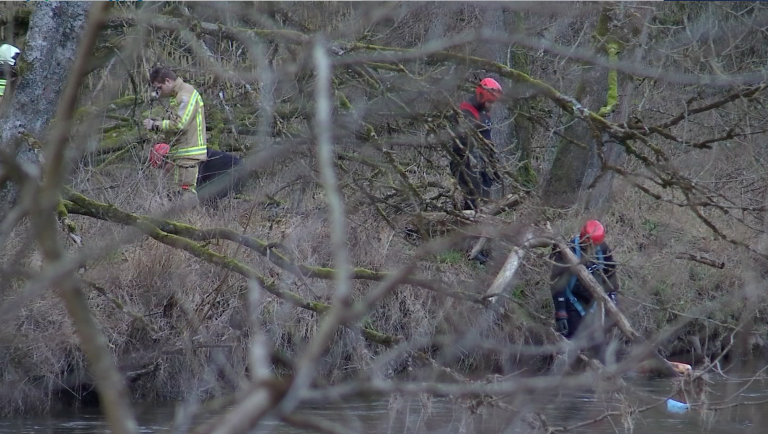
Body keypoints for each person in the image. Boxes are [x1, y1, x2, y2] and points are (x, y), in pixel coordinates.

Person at [549, 219, 620, 364]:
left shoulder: (603, 250)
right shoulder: (567, 251)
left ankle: (601, 377)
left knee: (599, 348)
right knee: (571, 347)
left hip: (594, 305)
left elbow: (610, 276)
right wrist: (561, 313)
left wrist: (613, 302)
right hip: (571, 303)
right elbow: (557, 283)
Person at [143, 66, 207, 201]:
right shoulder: (177, 96)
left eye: (159, 87)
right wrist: (160, 122)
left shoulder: (185, 95)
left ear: (168, 81)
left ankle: (190, 220)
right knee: (179, 192)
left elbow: (180, 124)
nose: (159, 92)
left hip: (189, 153)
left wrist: (155, 125)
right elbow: (174, 121)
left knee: (186, 194)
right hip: (182, 152)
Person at [449, 77, 503, 211]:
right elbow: (466, 145)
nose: (491, 106)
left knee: (485, 195)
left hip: (481, 163)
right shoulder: (465, 111)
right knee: (473, 197)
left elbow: (487, 141)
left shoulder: (485, 114)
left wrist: (493, 165)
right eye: (490, 102)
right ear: (481, 96)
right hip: (464, 162)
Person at [149, 144, 243, 205]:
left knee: (206, 198)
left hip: (234, 170)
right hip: (233, 170)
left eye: (162, 167)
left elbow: (193, 186)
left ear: (169, 159)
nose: (165, 171)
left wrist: (170, 197)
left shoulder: (188, 159)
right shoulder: (184, 159)